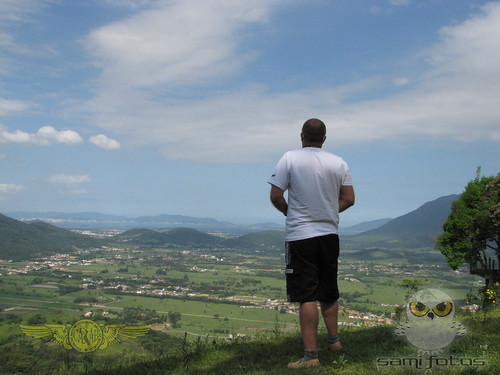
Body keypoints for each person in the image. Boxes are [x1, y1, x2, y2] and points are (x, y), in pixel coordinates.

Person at [268, 118, 355, 369]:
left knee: (306, 294)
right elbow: (349, 198)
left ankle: (310, 356)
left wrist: (290, 212)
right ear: (324, 139)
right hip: (329, 234)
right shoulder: (339, 162)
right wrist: (329, 210)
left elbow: (276, 195)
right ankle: (335, 342)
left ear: (301, 136)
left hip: (300, 235)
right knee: (328, 289)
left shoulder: (289, 158)